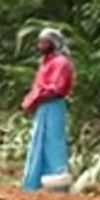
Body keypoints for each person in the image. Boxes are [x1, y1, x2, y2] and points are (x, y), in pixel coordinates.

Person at [20, 28, 75, 191]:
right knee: (38, 143)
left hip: (53, 105)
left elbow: (55, 88)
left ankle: (57, 185)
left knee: (53, 143)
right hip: (43, 106)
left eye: (44, 42)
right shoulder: (45, 62)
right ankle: (33, 183)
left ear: (54, 43)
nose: (40, 45)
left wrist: (34, 99)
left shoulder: (61, 62)